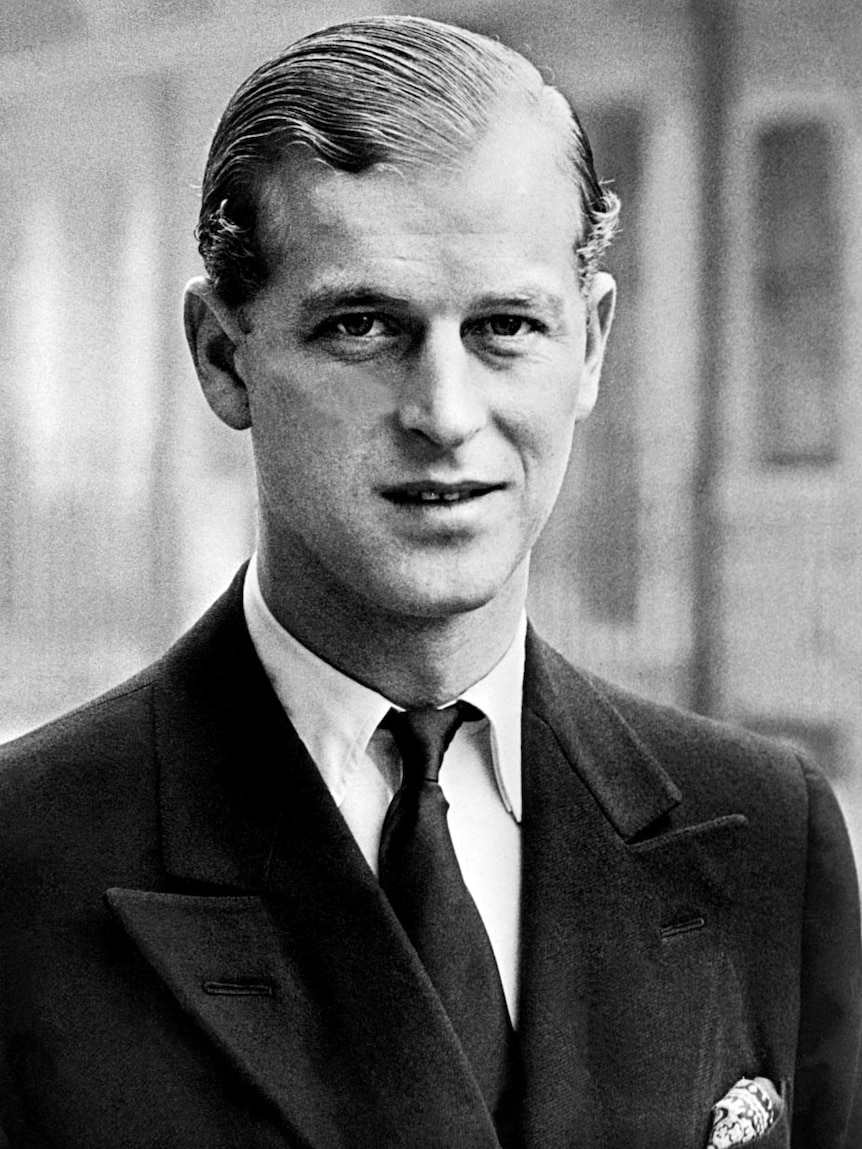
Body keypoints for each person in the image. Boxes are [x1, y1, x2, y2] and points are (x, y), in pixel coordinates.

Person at [0, 15, 859, 1149]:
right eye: (362, 327)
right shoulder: (27, 863)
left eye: (506, 326)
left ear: (589, 349)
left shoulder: (761, 837)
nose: (446, 416)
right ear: (222, 356)